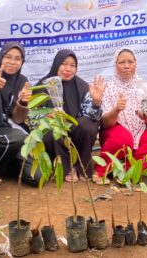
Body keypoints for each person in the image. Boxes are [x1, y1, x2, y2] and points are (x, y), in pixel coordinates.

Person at [93, 49, 147, 183]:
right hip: (115, 133)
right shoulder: (109, 88)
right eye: (122, 62)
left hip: (140, 132)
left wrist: (146, 117)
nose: (127, 66)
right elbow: (105, 123)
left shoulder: (145, 86)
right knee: (123, 139)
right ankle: (101, 170)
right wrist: (116, 110)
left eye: (130, 62)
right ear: (115, 65)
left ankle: (127, 170)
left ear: (136, 64)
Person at [0, 42, 40, 186]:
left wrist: (22, 103)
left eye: (17, 59)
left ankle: (5, 166)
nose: (12, 62)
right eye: (8, 57)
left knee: (37, 177)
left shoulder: (22, 81)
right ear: (1, 57)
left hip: (7, 130)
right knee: (17, 138)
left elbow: (18, 118)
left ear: (22, 62)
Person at [37, 50, 103, 181]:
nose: (68, 69)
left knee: (89, 124)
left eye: (73, 65)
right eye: (64, 64)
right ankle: (66, 168)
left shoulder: (83, 86)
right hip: (55, 133)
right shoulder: (42, 86)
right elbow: (32, 118)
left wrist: (96, 102)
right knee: (49, 130)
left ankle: (83, 166)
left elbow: (93, 116)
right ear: (56, 65)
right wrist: (46, 117)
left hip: (75, 131)